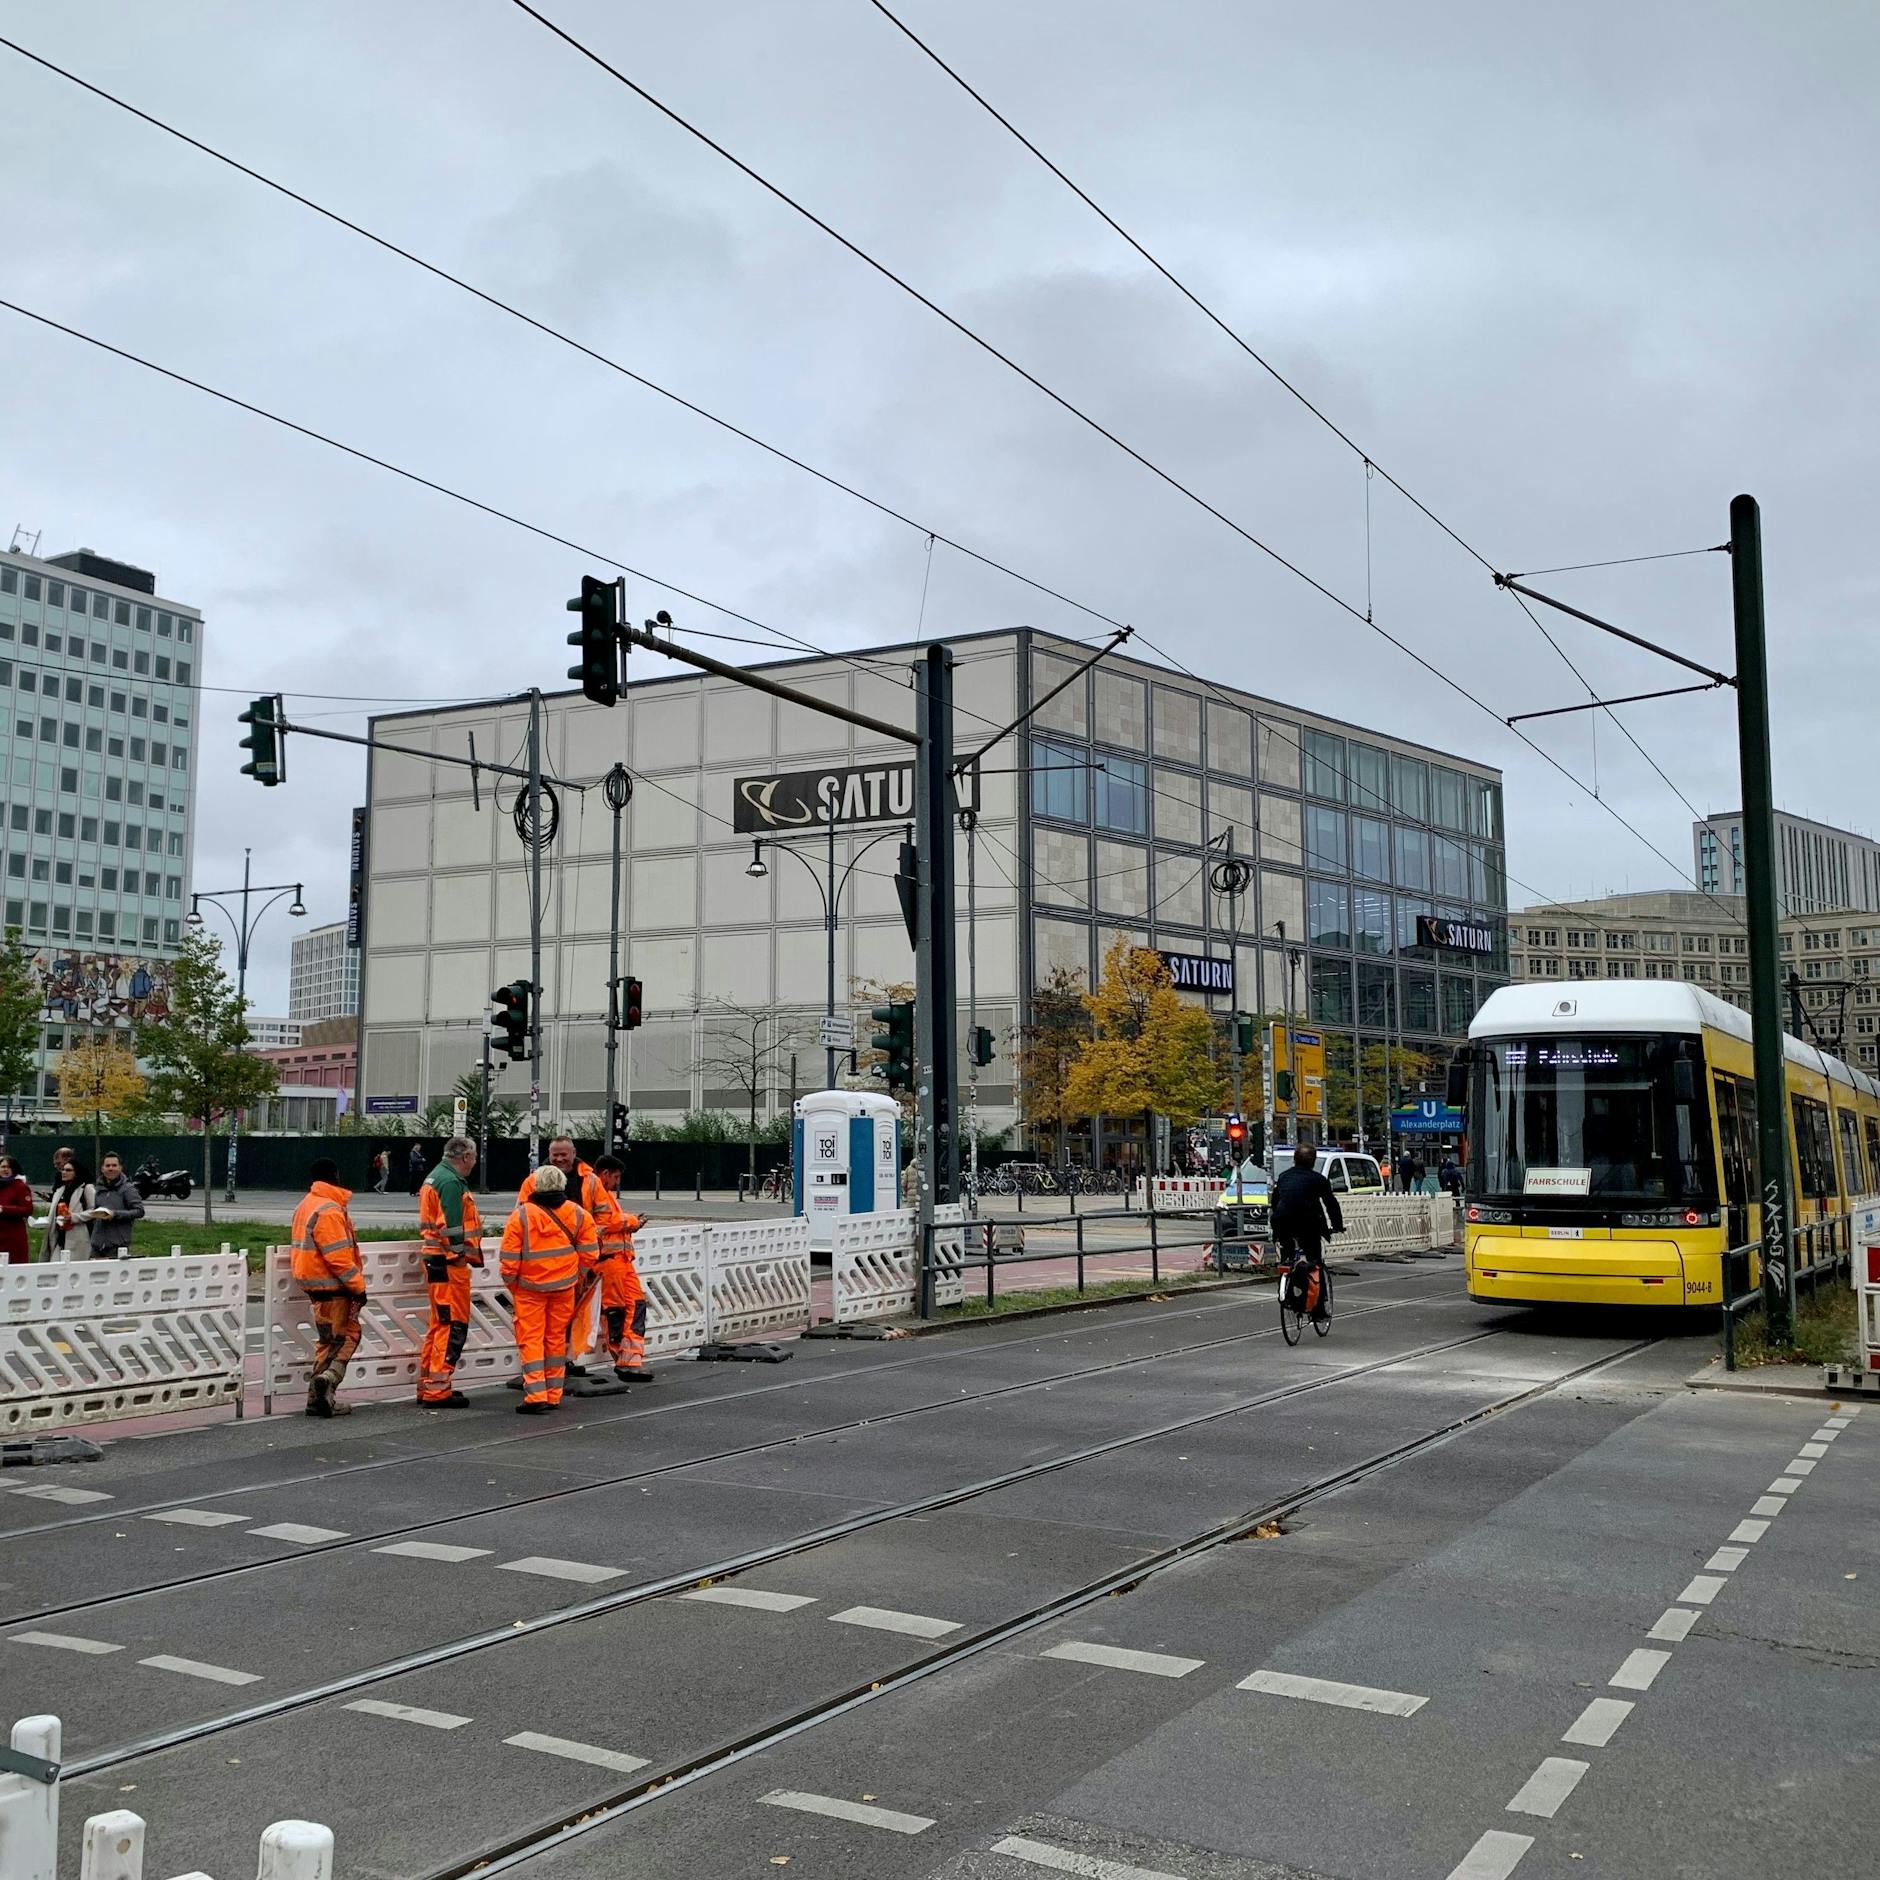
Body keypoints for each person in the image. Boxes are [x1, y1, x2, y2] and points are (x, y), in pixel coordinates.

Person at [519, 1137, 621, 1380]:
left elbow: (603, 1215)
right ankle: (550, 1366)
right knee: (543, 1322)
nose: (559, 1159)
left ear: (574, 1153)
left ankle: (562, 1360)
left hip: (573, 1264)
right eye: (555, 1154)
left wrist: (590, 1244)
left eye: (564, 1154)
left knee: (567, 1316)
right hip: (547, 1267)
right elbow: (522, 1217)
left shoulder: (590, 1180)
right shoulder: (533, 1181)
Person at [500, 1164, 596, 1414]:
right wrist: (576, 1276)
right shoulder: (578, 1214)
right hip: (564, 1287)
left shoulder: (521, 1216)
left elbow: (509, 1259)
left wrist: (512, 1284)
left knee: (531, 1339)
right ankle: (554, 1394)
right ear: (562, 1185)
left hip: (529, 1289)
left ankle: (536, 1395)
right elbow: (589, 1254)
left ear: (535, 1185)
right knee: (555, 1340)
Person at [290, 1157, 368, 1418]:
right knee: (346, 1338)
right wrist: (357, 1286)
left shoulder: (307, 1205)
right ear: (335, 1175)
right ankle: (328, 1380)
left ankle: (316, 1399)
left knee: (328, 1343)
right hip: (334, 1288)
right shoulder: (330, 1209)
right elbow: (338, 1256)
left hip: (315, 1288)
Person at [416, 1136, 482, 1407]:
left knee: (439, 1324)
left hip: (435, 1261)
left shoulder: (436, 1177)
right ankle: (437, 1389)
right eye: (474, 1158)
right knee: (453, 1325)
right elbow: (452, 1227)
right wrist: (458, 1253)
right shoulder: (451, 1183)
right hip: (449, 1263)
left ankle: (428, 1384)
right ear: (466, 1157)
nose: (474, 1163)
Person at [592, 1154, 653, 1381]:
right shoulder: (596, 1192)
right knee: (616, 1312)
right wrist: (632, 1221)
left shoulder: (605, 1194)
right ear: (605, 1174)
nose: (617, 1182)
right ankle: (624, 1360)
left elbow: (611, 1221)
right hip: (609, 1261)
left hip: (621, 1261)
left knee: (636, 1306)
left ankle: (630, 1360)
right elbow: (605, 1222)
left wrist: (628, 1222)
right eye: (615, 1177)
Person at [1269, 1144, 1344, 1321]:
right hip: (1307, 1224)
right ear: (1313, 1161)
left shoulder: (1283, 1176)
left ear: (1294, 1159)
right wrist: (1337, 1225)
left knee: (1287, 1258)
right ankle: (1318, 1310)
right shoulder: (1317, 1179)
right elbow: (1330, 1204)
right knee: (1315, 1262)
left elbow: (1276, 1202)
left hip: (1282, 1222)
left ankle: (1287, 1290)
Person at [42, 1151, 97, 1262]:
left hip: (78, 1237)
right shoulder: (60, 1190)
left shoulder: (86, 1189)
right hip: (59, 1236)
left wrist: (74, 1217)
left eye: (68, 1170)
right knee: (55, 1267)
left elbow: (94, 1211)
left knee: (75, 1270)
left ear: (76, 1172)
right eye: (63, 1170)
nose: (64, 1172)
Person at [89, 1152, 146, 1261]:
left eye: (114, 1165)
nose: (111, 1168)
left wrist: (115, 1214)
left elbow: (139, 1211)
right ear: (102, 1169)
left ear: (120, 1168)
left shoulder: (128, 1189)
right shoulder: (99, 1189)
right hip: (97, 1246)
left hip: (117, 1246)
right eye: (107, 1166)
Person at [0, 1155, 33, 1265]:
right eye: (3, 1167)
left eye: (8, 1167)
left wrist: (4, 1209)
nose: (5, 1170)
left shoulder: (20, 1187)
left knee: (14, 1265)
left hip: (13, 1235)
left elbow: (27, 1209)